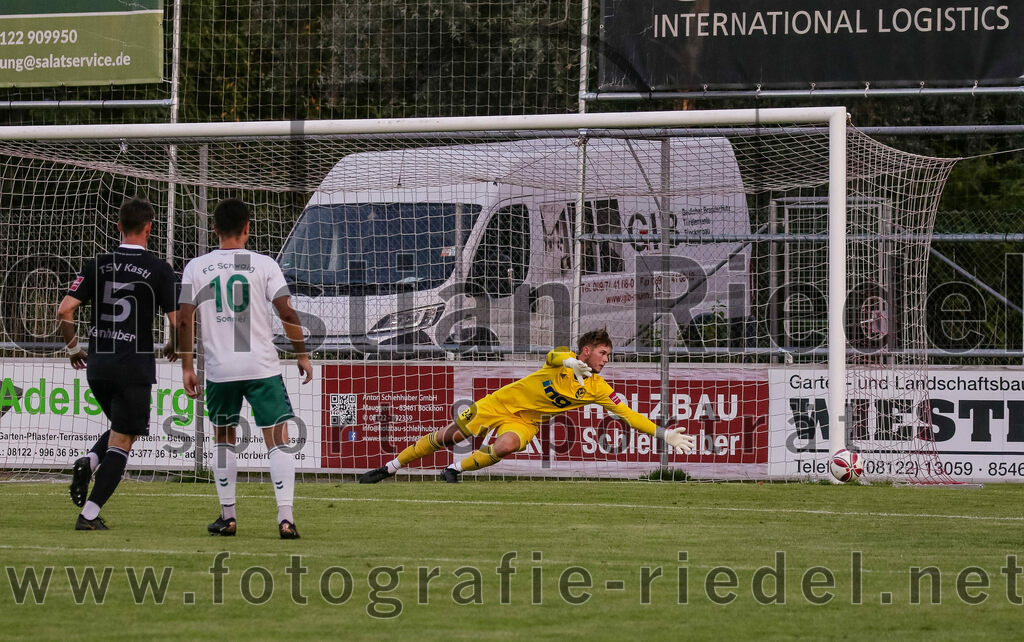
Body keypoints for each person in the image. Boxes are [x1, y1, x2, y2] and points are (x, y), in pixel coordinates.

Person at [359, 328, 695, 483]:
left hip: (527, 420)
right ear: (586, 352)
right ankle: (390, 467)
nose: (607, 359)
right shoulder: (561, 361)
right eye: (602, 353)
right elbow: (554, 354)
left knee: (505, 446)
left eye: (609, 354)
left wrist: (663, 435)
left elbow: (629, 415)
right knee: (451, 437)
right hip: (499, 403)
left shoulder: (598, 388)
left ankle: (454, 471)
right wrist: (569, 362)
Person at [177, 198, 313, 540]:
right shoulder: (264, 264)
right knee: (279, 440)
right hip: (260, 366)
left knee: (223, 438)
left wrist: (187, 366)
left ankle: (228, 515)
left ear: (214, 229)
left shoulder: (196, 266)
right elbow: (288, 313)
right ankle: (285, 518)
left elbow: (183, 319)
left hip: (221, 369)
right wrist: (302, 355)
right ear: (248, 229)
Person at [58, 196, 179, 530]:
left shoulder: (97, 263)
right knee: (125, 439)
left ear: (118, 226)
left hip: (97, 366)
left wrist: (72, 349)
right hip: (133, 366)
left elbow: (64, 310)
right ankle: (89, 515)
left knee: (122, 430)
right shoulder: (159, 269)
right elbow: (177, 320)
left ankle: (89, 460)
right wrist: (175, 345)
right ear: (149, 228)